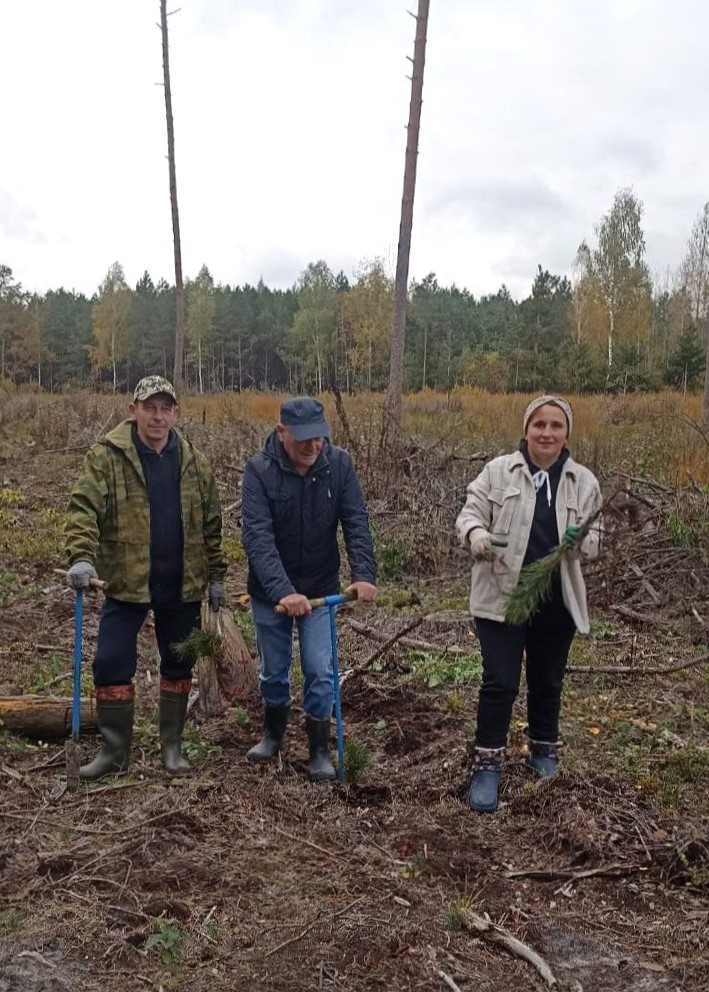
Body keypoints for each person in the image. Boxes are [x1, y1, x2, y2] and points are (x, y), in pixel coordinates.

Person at [64, 375, 227, 780]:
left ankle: (171, 747)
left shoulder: (194, 462)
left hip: (181, 582)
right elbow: (84, 507)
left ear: (175, 413)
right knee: (110, 661)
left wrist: (217, 576)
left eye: (165, 408)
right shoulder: (106, 457)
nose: (157, 416)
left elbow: (211, 524)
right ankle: (115, 752)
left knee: (178, 661)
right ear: (133, 409)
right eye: (149, 408)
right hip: (126, 579)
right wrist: (82, 557)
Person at [455, 395, 602, 812]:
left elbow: (596, 540)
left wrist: (582, 542)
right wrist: (477, 536)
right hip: (502, 595)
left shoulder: (583, 482)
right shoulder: (499, 472)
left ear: (566, 433)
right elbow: (469, 514)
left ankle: (543, 753)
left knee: (547, 681)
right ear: (526, 429)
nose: (547, 433)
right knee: (499, 682)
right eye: (539, 424)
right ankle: (487, 766)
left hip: (556, 600)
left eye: (556, 426)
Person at [241, 397, 377, 782]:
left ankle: (319, 748)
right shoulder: (258, 471)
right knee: (274, 670)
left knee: (319, 668)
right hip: (272, 594)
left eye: (319, 438)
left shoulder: (339, 465)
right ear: (281, 432)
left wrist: (364, 573)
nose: (313, 447)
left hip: (320, 586)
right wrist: (283, 591)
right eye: (304, 439)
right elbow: (257, 536)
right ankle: (272, 736)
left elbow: (355, 521)